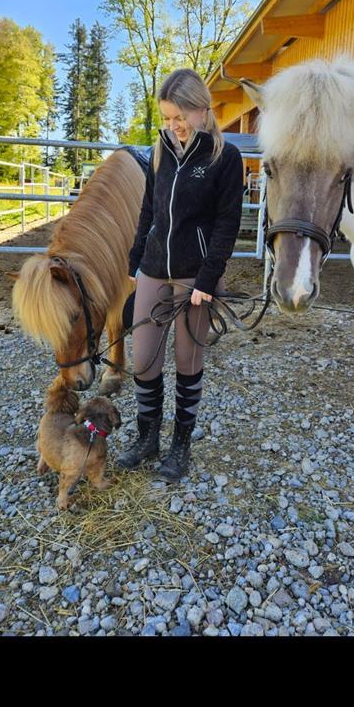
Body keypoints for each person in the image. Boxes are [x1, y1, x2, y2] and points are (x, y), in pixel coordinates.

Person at [119, 68, 244, 482]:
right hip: (155, 266)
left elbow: (227, 223)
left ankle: (180, 446)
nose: (173, 127)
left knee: (188, 361)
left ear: (202, 109)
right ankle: (146, 437)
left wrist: (208, 281)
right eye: (167, 118)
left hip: (195, 275)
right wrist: (135, 261)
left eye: (179, 117)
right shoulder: (161, 151)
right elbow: (149, 211)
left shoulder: (224, 157)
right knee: (143, 358)